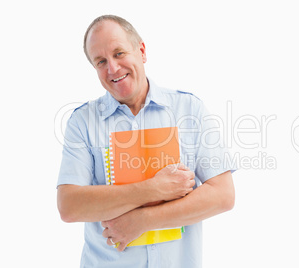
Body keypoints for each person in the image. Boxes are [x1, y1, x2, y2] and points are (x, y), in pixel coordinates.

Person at [57, 14, 235, 268]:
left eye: (119, 53)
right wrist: (155, 188)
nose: (113, 69)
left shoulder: (189, 109)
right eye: (101, 61)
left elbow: (223, 195)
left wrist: (143, 220)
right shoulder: (83, 121)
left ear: (141, 50)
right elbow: (69, 206)